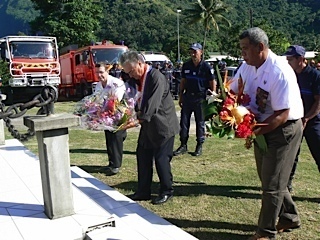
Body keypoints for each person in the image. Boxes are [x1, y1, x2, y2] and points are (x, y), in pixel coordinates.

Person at [231, 27, 304, 240]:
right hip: (261, 127)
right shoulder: (246, 67)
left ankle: (265, 232)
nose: (243, 54)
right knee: (269, 178)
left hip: (283, 130)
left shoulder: (279, 70)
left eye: (246, 49)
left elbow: (282, 114)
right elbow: (233, 92)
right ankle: (289, 216)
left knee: (272, 184)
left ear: (260, 47)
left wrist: (251, 130)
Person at [119, 51, 179, 205]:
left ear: (139, 63)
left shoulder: (155, 77)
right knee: (142, 156)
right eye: (127, 73)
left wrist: (137, 120)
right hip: (148, 126)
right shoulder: (137, 79)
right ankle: (143, 191)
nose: (131, 75)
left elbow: (152, 104)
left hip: (163, 125)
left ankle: (167, 190)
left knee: (161, 159)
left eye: (131, 71)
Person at [283, 45, 320, 192]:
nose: (288, 62)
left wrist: (307, 118)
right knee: (291, 155)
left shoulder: (314, 75)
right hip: (294, 121)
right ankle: (286, 186)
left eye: (290, 59)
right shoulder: (289, 74)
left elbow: (318, 101)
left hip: (313, 121)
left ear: (301, 59)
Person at [173, 43, 215, 157]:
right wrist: (181, 96)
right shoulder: (186, 65)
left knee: (200, 122)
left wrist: (212, 97)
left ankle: (199, 145)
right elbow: (183, 82)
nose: (192, 54)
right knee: (184, 122)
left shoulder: (206, 67)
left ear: (201, 52)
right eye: (191, 52)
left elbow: (212, 83)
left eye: (195, 52)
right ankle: (183, 145)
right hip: (188, 97)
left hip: (200, 98)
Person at [95, 63, 127, 176]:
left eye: (101, 72)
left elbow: (115, 101)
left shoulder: (116, 83)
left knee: (116, 138)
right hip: (106, 116)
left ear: (107, 72)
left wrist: (103, 108)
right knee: (109, 138)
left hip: (119, 114)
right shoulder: (98, 85)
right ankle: (111, 163)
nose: (99, 75)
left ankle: (116, 165)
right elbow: (97, 99)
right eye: (97, 72)